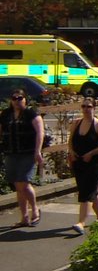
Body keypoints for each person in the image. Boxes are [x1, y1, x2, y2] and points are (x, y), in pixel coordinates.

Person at [1, 90, 45, 227]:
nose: (17, 100)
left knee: (24, 183)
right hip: (11, 153)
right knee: (17, 185)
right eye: (14, 98)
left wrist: (38, 151)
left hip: (27, 153)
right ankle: (24, 217)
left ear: (25, 99)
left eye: (20, 98)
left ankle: (35, 209)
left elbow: (40, 132)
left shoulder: (31, 114)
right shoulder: (6, 114)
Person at [68, 97, 98, 235]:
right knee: (90, 190)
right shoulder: (77, 123)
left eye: (89, 107)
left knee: (86, 192)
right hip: (79, 162)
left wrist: (91, 153)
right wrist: (72, 152)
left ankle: (81, 222)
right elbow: (70, 141)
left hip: (95, 163)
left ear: (94, 108)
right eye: (84, 106)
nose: (86, 109)